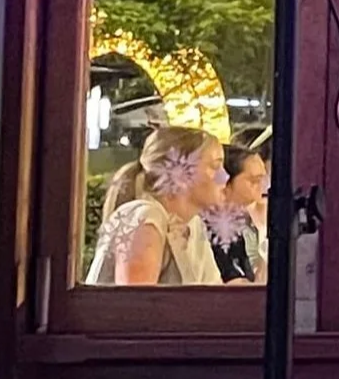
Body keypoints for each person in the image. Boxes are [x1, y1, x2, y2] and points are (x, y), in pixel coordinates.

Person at [86, 123, 230, 287]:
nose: (224, 176)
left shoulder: (194, 226)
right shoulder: (145, 218)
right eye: (215, 166)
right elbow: (134, 306)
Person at [209, 141, 270, 283]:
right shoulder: (208, 228)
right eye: (254, 181)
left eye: (263, 179)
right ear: (225, 183)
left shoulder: (238, 223)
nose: (262, 187)